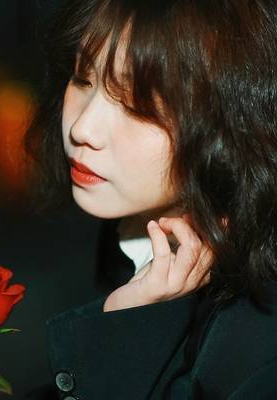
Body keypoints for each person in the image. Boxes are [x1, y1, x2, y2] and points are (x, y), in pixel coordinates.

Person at [25, 0, 277, 398]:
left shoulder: (254, 346)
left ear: (232, 123)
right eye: (82, 78)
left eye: (138, 106)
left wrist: (121, 340)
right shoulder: (140, 232)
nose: (83, 128)